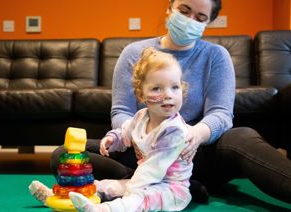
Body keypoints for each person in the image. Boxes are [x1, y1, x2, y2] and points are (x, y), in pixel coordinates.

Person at [43, 0, 291, 205]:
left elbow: (221, 114)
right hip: (143, 152)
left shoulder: (216, 56)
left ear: (209, 22)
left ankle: (149, 185)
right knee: (65, 155)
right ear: (169, 8)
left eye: (200, 16)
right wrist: (140, 137)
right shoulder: (133, 54)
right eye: (184, 10)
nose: (189, 20)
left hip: (195, 153)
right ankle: (159, 186)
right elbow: (121, 111)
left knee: (242, 135)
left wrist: (194, 136)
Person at [69, 47, 192, 211]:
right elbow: (126, 131)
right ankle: (66, 195)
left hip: (170, 190)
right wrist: (113, 138)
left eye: (174, 87)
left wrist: (130, 190)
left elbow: (152, 169)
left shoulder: (174, 130)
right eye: (157, 88)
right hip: (145, 180)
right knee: (108, 186)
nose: (168, 95)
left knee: (137, 199)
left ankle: (103, 209)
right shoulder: (142, 116)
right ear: (141, 95)